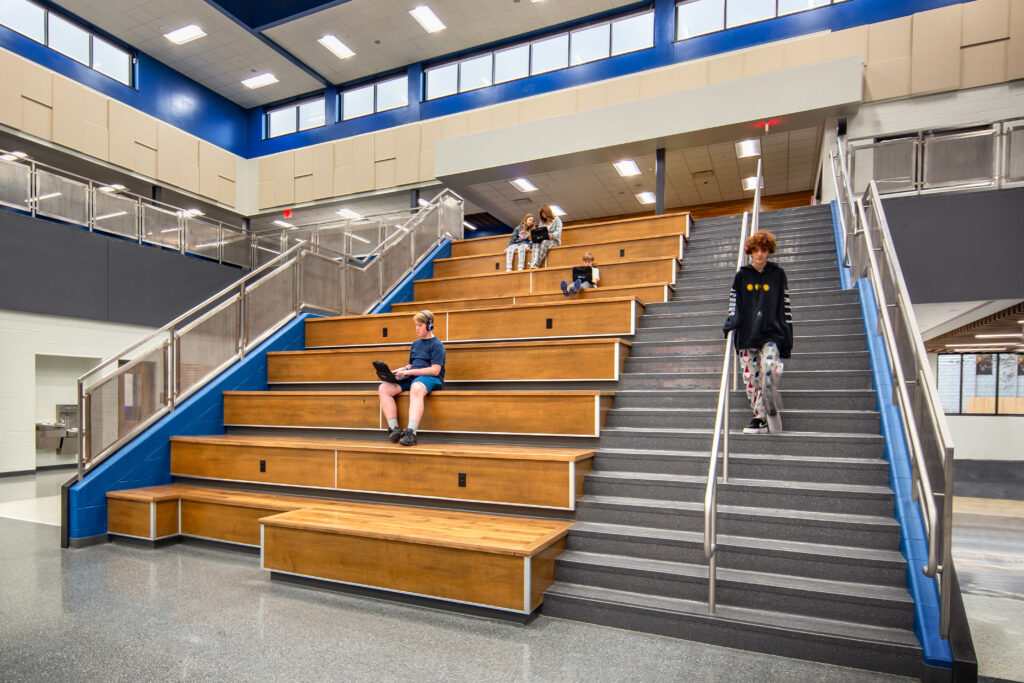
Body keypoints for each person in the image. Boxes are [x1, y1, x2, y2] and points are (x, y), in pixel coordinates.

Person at [722, 230, 792, 434]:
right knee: (751, 378)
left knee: (768, 365)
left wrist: (787, 334)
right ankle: (760, 417)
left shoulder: (778, 274)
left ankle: (771, 387)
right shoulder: (742, 276)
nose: (759, 254)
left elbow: (785, 305)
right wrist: (730, 323)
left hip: (770, 332)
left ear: (769, 251)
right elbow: (734, 304)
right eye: (755, 250)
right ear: (750, 252)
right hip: (746, 334)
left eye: (763, 250)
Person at [378, 310, 446, 446]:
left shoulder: (437, 345)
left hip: (431, 378)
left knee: (416, 387)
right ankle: (394, 429)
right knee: (384, 388)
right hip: (414, 376)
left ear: (429, 326)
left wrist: (410, 372)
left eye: (420, 325)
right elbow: (411, 364)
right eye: (416, 325)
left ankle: (411, 433)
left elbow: (435, 370)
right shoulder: (415, 344)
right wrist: (402, 370)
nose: (417, 328)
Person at [529, 204, 563, 268]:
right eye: (542, 214)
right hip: (543, 239)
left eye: (544, 213)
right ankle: (533, 262)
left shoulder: (557, 220)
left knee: (545, 242)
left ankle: (537, 263)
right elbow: (539, 231)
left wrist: (552, 235)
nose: (543, 215)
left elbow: (558, 232)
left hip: (554, 241)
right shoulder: (542, 222)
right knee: (535, 243)